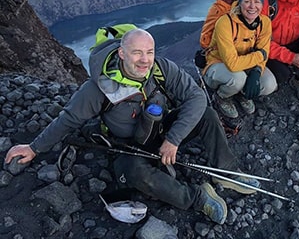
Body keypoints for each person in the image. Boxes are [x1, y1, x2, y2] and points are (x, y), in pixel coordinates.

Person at [5, 28, 261, 225]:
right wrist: (34, 148)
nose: (144, 60)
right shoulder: (98, 88)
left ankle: (226, 171)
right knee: (138, 175)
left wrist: (173, 139)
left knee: (205, 114)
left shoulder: (161, 69)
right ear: (122, 53)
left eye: (149, 52)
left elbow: (196, 97)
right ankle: (196, 197)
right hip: (127, 146)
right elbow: (68, 119)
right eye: (137, 53)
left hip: (161, 130)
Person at [203, 0, 277, 119]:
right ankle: (222, 97)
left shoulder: (264, 22)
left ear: (262, 5)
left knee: (269, 84)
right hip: (217, 65)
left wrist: (256, 71)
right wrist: (259, 56)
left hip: (245, 64)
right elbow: (232, 63)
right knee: (238, 78)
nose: (252, 7)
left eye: (257, 2)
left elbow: (264, 51)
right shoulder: (225, 23)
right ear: (239, 3)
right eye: (247, 1)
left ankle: (242, 94)